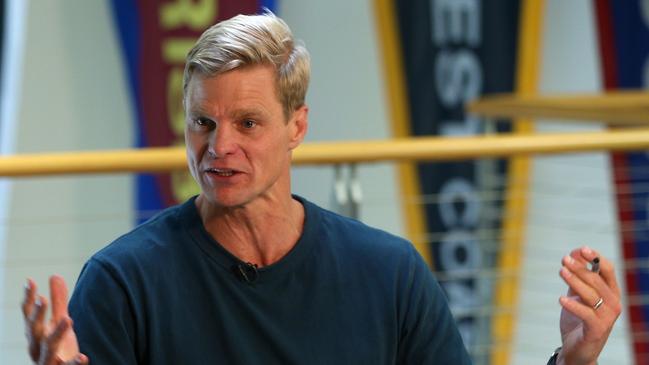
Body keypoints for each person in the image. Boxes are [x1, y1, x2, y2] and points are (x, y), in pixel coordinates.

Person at [21, 12, 621, 365]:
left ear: (297, 127)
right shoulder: (123, 281)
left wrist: (574, 358)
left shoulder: (388, 274)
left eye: (248, 123)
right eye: (203, 122)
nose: (218, 145)